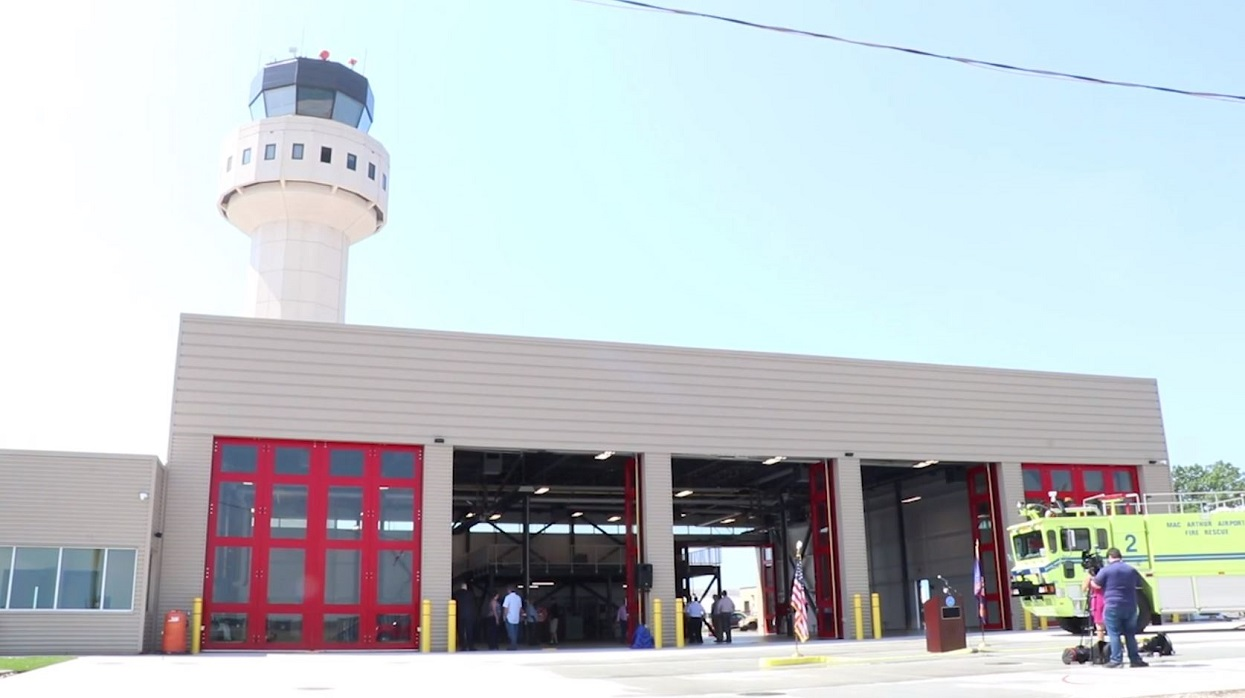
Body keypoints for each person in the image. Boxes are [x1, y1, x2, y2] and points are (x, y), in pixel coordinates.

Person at [1092, 547, 1149, 668]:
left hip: (1113, 606)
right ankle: (1135, 659)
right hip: (1130, 605)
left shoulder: (1106, 570)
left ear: (1109, 557)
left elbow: (1096, 585)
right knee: (1130, 634)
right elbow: (1139, 584)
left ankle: (1116, 660)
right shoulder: (1131, 570)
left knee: (1114, 634)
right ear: (1120, 557)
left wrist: (1092, 578)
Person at [453, 582, 478, 651]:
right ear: (466, 587)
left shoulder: (457, 594)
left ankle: (463, 646)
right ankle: (471, 646)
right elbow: (473, 605)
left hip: (460, 614)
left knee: (461, 630)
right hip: (469, 615)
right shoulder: (470, 594)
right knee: (469, 630)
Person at [502, 586, 523, 650]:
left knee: (511, 632)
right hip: (516, 617)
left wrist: (504, 616)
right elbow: (520, 608)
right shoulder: (518, 598)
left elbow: (506, 608)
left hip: (509, 617)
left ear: (509, 590)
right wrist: (519, 615)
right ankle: (514, 644)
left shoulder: (508, 597)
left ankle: (513, 646)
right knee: (515, 632)